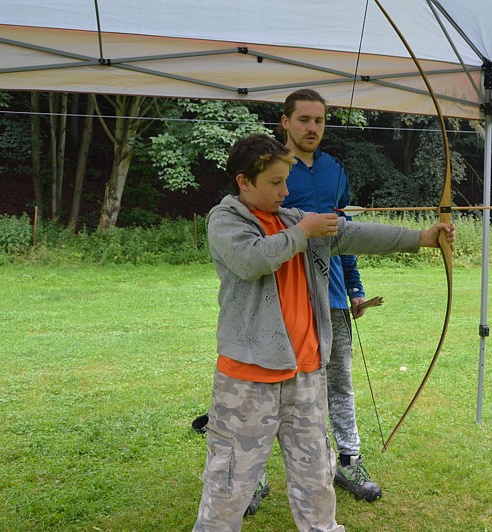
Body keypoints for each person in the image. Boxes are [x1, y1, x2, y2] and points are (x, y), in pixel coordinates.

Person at [193, 133, 454, 531]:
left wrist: (421, 238)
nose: (285, 190)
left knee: (316, 481)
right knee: (228, 485)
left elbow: (354, 234)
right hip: (248, 381)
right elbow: (251, 260)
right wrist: (303, 232)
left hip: (306, 374)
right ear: (244, 181)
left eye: (286, 181)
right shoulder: (226, 220)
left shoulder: (296, 220)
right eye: (275, 182)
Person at [279, 88, 380, 502]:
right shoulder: (270, 165)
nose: (312, 128)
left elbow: (347, 233)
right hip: (285, 296)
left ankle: (349, 463)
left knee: (339, 382)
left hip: (334, 296)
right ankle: (255, 477)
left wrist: (355, 287)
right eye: (304, 119)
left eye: (319, 121)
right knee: (275, 386)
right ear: (285, 121)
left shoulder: (335, 170)